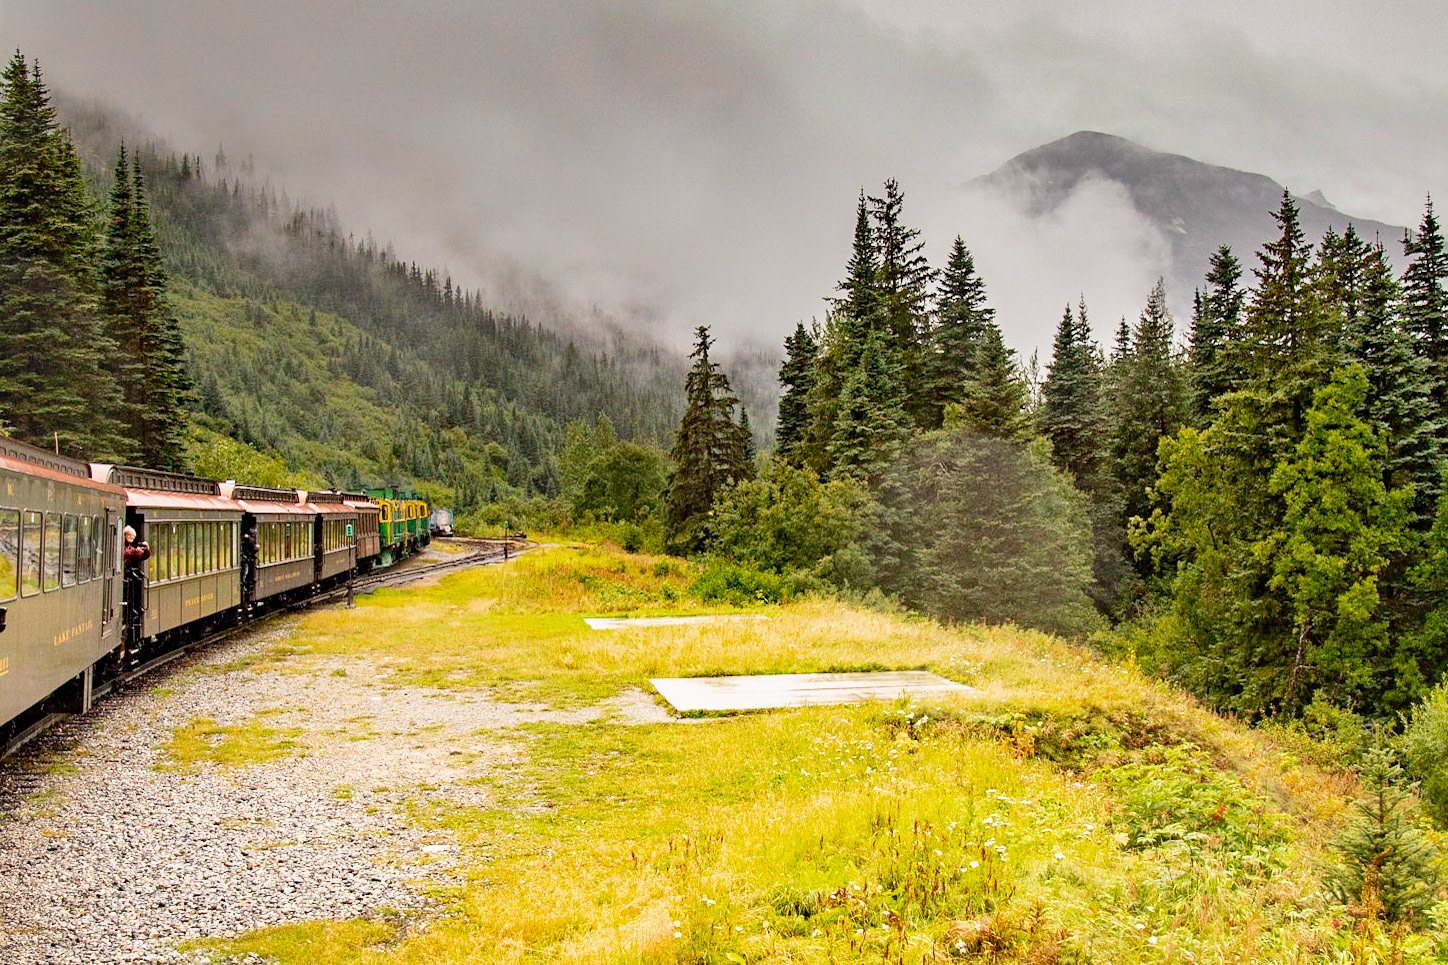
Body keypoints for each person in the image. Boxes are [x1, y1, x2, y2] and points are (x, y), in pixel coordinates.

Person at [121, 525, 150, 666]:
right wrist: (135, 551)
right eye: (129, 537)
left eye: (133, 537)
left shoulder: (130, 547)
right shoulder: (123, 547)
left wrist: (146, 550)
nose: (131, 539)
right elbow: (127, 554)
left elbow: (141, 556)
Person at [240, 525, 258, 612]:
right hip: (246, 560)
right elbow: (254, 548)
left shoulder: (247, 540)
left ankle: (245, 585)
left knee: (245, 572)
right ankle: (244, 585)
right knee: (245, 572)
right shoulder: (250, 540)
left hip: (246, 559)